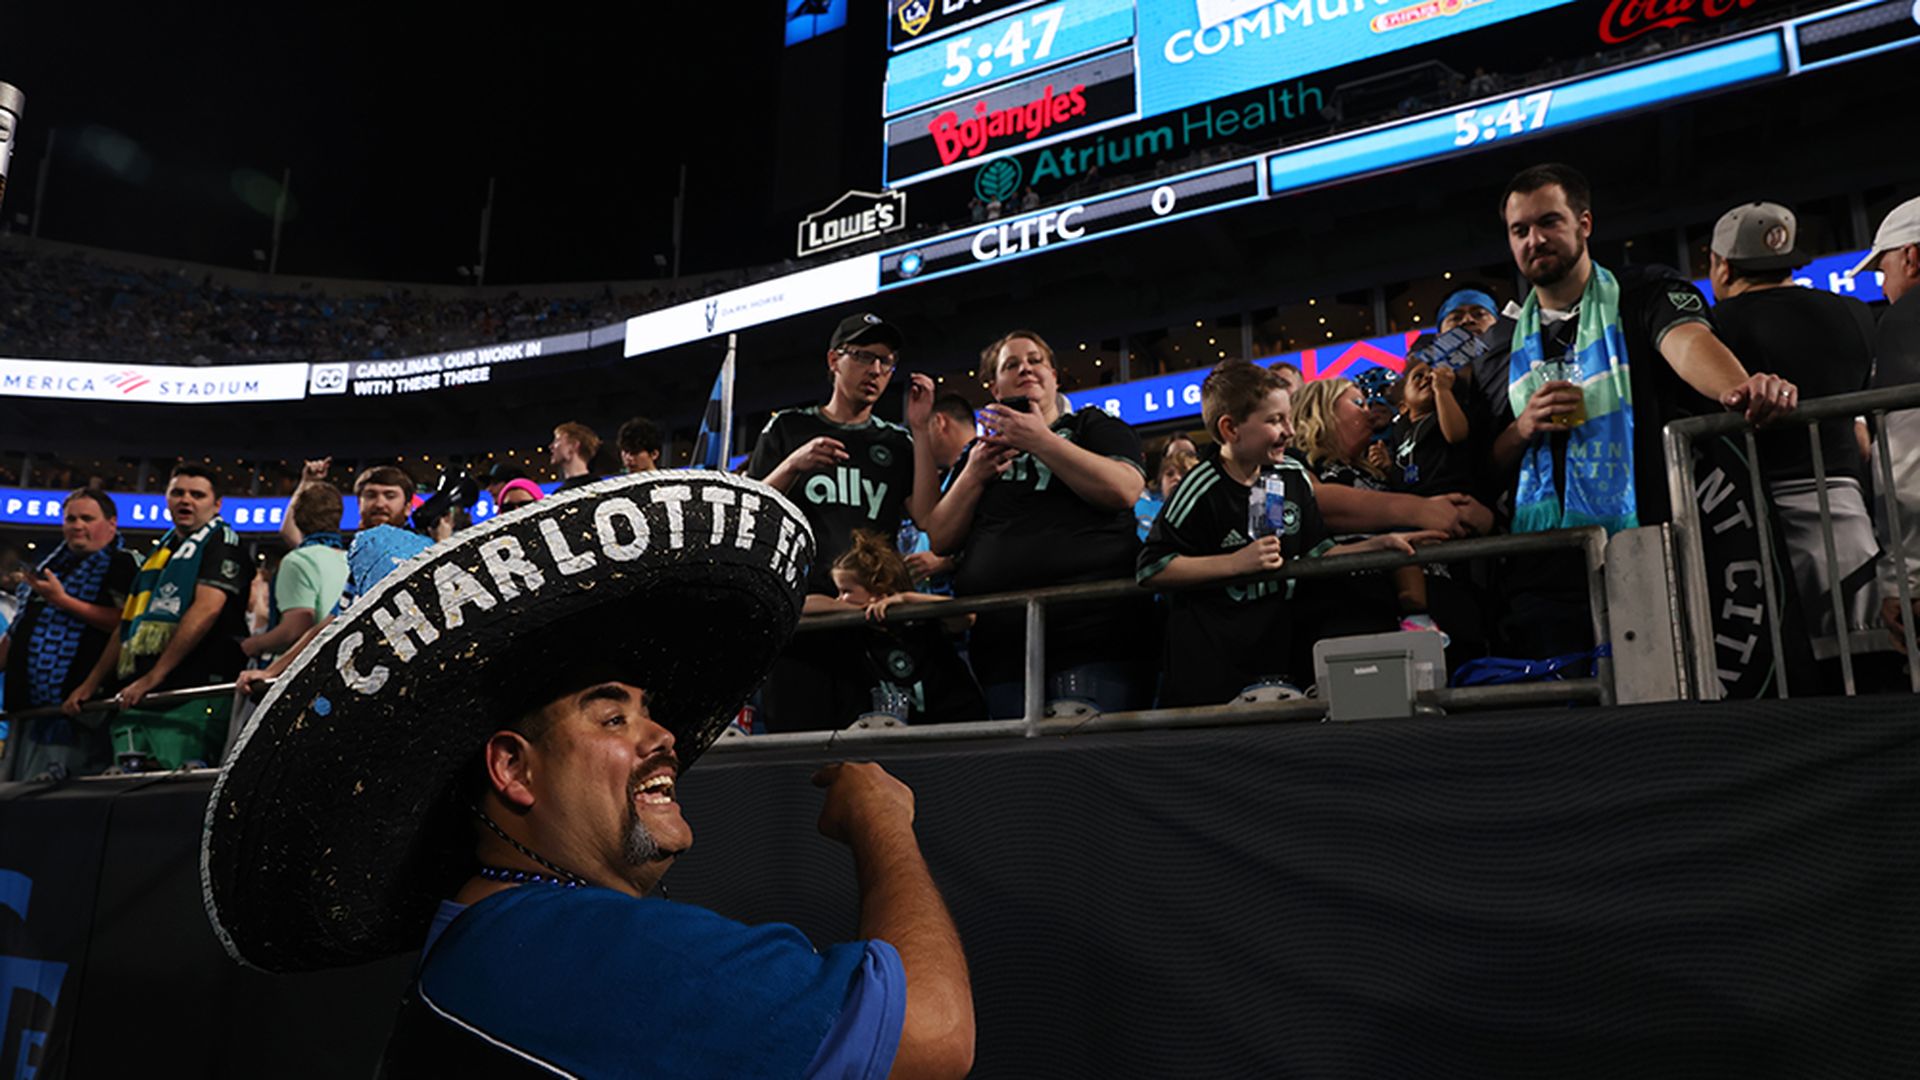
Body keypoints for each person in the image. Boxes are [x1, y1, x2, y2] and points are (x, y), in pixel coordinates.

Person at [201, 473, 974, 1078]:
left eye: (649, 711)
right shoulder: (576, 949)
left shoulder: (491, 937)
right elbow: (932, 1036)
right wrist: (882, 825)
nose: (666, 736)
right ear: (512, 768)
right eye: (614, 718)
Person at [1489, 163, 1799, 661]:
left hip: (1646, 557)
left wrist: (1739, 389)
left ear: (1584, 224)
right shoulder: (1498, 346)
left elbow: (1687, 342)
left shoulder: (1643, 293)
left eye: (1549, 222)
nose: (1534, 240)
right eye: (1519, 230)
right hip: (1541, 574)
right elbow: (1483, 460)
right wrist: (1523, 428)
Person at [1140, 361, 1445, 706]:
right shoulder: (1199, 487)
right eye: (1274, 420)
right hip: (1211, 672)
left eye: (1288, 417)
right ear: (1230, 429)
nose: (1289, 430)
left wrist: (1378, 544)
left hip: (1280, 662)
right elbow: (1153, 568)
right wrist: (1235, 563)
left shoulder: (1292, 475)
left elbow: (1318, 553)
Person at [921, 329, 1154, 716]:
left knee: (1090, 761)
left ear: (1054, 378)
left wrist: (1040, 440)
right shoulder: (977, 454)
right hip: (1004, 649)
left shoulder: (1092, 426)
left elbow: (1124, 489)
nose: (1025, 369)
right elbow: (940, 538)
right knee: (1021, 769)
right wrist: (973, 474)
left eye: (1035, 360)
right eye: (1011, 365)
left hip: (1097, 637)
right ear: (995, 388)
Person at [1707, 201, 1879, 671]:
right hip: (1847, 515)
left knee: (1784, 679)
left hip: (1756, 526)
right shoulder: (1855, 313)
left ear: (1722, 265)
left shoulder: (1715, 327)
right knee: (1865, 667)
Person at [749, 312, 918, 731]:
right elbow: (751, 510)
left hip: (872, 625)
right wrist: (793, 463)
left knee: (874, 766)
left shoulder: (898, 443)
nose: (876, 370)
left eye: (886, 361)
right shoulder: (789, 428)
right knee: (799, 760)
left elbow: (932, 518)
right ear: (833, 361)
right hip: (801, 627)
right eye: (863, 356)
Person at [63, 464, 250, 769]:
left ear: (217, 504)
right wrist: (91, 683)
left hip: (191, 697)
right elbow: (129, 625)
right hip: (144, 697)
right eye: (177, 492)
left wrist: (153, 676)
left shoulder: (222, 544)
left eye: (197, 494)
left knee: (175, 802)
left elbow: (206, 609)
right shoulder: (161, 553)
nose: (185, 500)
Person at [0, 488, 139, 779]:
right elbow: (19, 631)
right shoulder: (47, 568)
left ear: (111, 524)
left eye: (87, 518)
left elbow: (125, 623)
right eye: (71, 518)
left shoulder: (123, 564)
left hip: (83, 713)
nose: (77, 525)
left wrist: (62, 600)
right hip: (29, 710)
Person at [1851, 195, 1920, 645]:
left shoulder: (1908, 320)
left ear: (1912, 257)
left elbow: (1910, 459)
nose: (1882, 286)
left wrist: (1905, 579)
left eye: (1884, 269)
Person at [830, 530, 986, 726]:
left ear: (877, 588)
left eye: (846, 591)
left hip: (955, 724)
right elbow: (808, 606)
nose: (839, 599)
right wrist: (853, 608)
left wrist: (905, 599)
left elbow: (967, 617)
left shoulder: (921, 620)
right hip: (904, 735)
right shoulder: (857, 631)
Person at [240, 481, 347, 667]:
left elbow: (295, 629)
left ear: (296, 517)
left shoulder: (297, 561)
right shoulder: (349, 559)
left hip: (305, 672)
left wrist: (254, 644)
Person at [550, 421, 603, 492]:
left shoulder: (560, 496)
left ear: (573, 445)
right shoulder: (601, 487)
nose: (551, 446)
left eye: (557, 440)